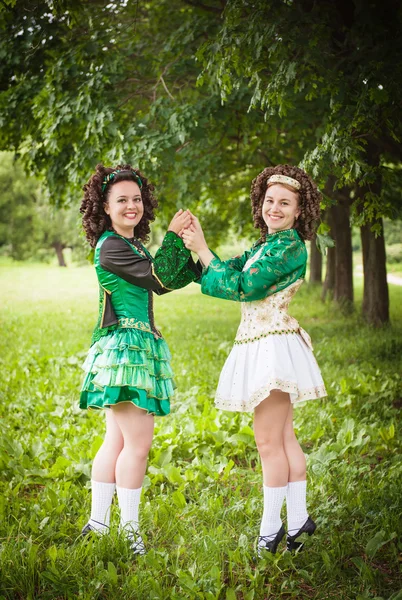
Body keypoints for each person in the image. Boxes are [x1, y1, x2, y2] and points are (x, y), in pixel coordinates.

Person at [182, 165, 327, 554]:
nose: (274, 208)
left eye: (285, 203)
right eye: (269, 201)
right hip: (263, 342)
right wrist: (196, 249)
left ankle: (270, 529)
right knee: (282, 437)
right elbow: (226, 269)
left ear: (299, 211)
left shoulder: (289, 246)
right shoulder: (267, 246)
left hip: (272, 345)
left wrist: (201, 249)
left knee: (267, 443)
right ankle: (297, 521)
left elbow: (244, 287)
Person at [79, 163, 200, 555]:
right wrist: (173, 239)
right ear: (106, 206)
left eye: (136, 199)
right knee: (137, 446)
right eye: (122, 200)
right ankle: (129, 534)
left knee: (116, 440)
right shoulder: (112, 246)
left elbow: (164, 283)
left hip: (131, 346)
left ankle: (98, 525)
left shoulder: (130, 245)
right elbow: (158, 277)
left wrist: (193, 253)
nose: (132, 206)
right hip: (127, 349)